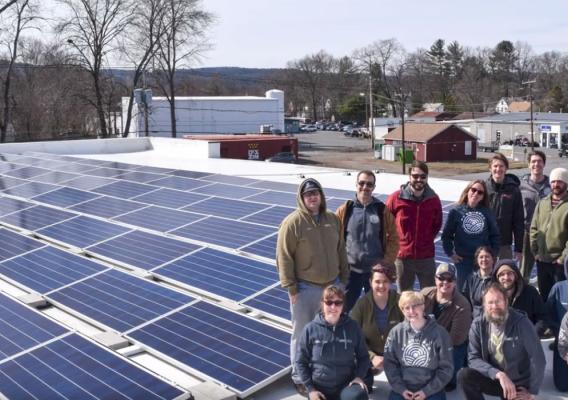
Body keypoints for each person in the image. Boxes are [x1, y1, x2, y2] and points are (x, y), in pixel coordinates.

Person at [276, 178, 349, 394]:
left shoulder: (333, 220)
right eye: (308, 194)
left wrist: (343, 280)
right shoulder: (293, 223)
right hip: (306, 288)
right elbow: (284, 257)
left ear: (321, 196)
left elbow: (341, 250)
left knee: (331, 332)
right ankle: (299, 376)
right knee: (301, 333)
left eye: (316, 193)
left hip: (333, 286)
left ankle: (326, 373)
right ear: (302, 198)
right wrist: (291, 287)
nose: (312, 197)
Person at [458, 283, 546, 400]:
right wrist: (498, 374)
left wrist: (532, 391)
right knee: (464, 376)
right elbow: (473, 358)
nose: (494, 306)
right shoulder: (478, 324)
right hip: (495, 378)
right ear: (484, 305)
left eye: (498, 301)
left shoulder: (522, 323)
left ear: (506, 302)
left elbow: (538, 358)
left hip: (517, 383)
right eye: (490, 302)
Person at [337, 170, 399, 312]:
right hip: (350, 272)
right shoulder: (346, 209)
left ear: (374, 187)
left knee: (375, 310)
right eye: (362, 183)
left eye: (369, 184)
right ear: (356, 184)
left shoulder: (381, 210)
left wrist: (385, 263)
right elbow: (334, 238)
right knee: (344, 309)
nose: (365, 187)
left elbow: (394, 238)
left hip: (374, 272)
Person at [296, 285, 370, 400]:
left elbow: (364, 357)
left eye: (338, 303)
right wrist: (311, 389)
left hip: (346, 385)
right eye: (329, 302)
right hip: (320, 387)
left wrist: (359, 377)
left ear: (343, 305)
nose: (333, 307)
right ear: (322, 303)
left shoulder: (353, 327)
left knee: (358, 395)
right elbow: (300, 362)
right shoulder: (310, 329)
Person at [384, 291, 453, 400]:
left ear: (423, 306)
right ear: (402, 310)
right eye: (406, 308)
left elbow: (446, 368)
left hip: (431, 390)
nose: (411, 311)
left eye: (415, 306)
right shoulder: (396, 332)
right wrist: (401, 389)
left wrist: (426, 391)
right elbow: (390, 364)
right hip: (404, 388)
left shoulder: (440, 333)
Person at [386, 161, 443, 291]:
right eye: (415, 176)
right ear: (409, 176)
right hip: (402, 258)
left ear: (427, 177)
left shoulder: (434, 200)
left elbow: (437, 225)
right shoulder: (396, 198)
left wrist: (426, 240)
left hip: (426, 257)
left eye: (423, 176)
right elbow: (386, 224)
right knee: (405, 297)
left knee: (429, 296)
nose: (419, 179)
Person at [421, 263, 472, 392]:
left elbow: (456, 339)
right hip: (424, 340)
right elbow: (410, 319)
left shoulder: (462, 305)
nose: (445, 282)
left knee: (447, 383)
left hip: (451, 346)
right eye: (441, 278)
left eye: (449, 279)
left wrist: (430, 351)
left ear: (455, 282)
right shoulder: (424, 294)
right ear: (435, 279)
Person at [441, 180, 500, 289]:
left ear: (483, 196)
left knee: (483, 291)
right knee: (463, 292)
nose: (476, 194)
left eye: (480, 192)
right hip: (463, 261)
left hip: (483, 261)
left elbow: (495, 236)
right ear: (468, 191)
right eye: (473, 190)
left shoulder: (487, 212)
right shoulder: (456, 211)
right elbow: (446, 236)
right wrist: (450, 253)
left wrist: (493, 255)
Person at [350, 264, 404, 376]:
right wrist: (372, 356)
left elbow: (411, 332)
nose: (381, 285)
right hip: (369, 353)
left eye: (385, 281)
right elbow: (353, 336)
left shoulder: (400, 301)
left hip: (396, 354)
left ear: (390, 282)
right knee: (358, 392)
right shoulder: (361, 305)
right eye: (377, 281)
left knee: (403, 388)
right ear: (370, 282)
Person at [530, 167, 568, 302]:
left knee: (559, 298)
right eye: (553, 182)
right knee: (544, 295)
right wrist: (535, 252)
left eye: (560, 181)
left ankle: (560, 323)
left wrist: (562, 258)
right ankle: (546, 322)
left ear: (566, 183)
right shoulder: (542, 203)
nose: (556, 185)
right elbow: (534, 228)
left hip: (559, 263)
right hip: (542, 260)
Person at [485, 153, 524, 261]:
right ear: (490, 168)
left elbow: (518, 221)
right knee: (484, 275)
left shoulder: (514, 190)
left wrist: (518, 248)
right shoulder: (483, 188)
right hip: (484, 243)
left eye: (501, 166)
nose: (498, 169)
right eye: (495, 166)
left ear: (506, 168)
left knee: (504, 275)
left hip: (504, 244)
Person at [519, 150, 550, 282]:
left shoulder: (552, 185)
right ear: (528, 165)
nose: (536, 164)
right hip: (527, 233)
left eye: (539, 161)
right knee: (524, 268)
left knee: (546, 268)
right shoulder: (520, 185)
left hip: (547, 234)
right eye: (533, 162)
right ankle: (521, 295)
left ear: (544, 164)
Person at [492, 259, 546, 330]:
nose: (506, 277)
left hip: (526, 336)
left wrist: (532, 333)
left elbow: (542, 318)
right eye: (502, 274)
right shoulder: (492, 296)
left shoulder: (530, 292)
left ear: (515, 275)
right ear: (497, 278)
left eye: (509, 273)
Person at [545, 260, 568, 391]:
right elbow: (547, 313)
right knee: (562, 386)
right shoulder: (558, 288)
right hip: (563, 341)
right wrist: (556, 329)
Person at [462, 246, 496, 319]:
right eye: (481, 257)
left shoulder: (497, 280)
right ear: (477, 260)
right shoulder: (471, 278)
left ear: (493, 259)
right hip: (473, 319)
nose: (484, 259)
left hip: (492, 318)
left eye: (487, 256)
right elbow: (465, 299)